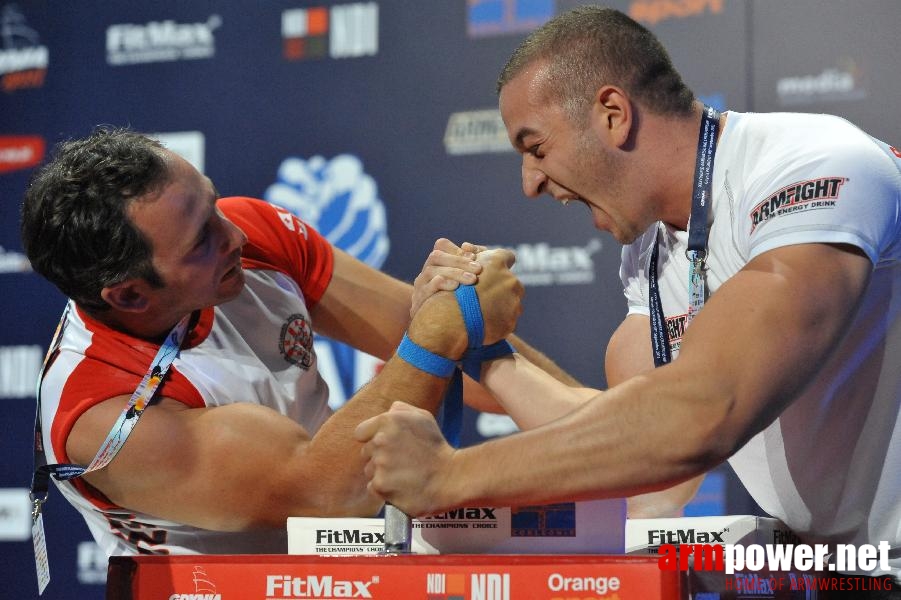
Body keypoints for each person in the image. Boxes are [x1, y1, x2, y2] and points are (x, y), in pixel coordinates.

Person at [355, 4, 901, 585]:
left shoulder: (811, 167)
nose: (529, 182)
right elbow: (645, 452)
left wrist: (450, 476)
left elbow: (701, 414)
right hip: (838, 572)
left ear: (613, 114)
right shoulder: (652, 247)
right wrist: (485, 346)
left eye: (536, 148)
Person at [20, 127, 576, 556]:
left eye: (212, 204)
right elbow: (326, 498)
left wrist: (613, 431)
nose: (233, 233)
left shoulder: (249, 237)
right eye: (201, 242)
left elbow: (452, 343)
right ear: (130, 295)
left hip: (348, 568)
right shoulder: (101, 415)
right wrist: (439, 330)